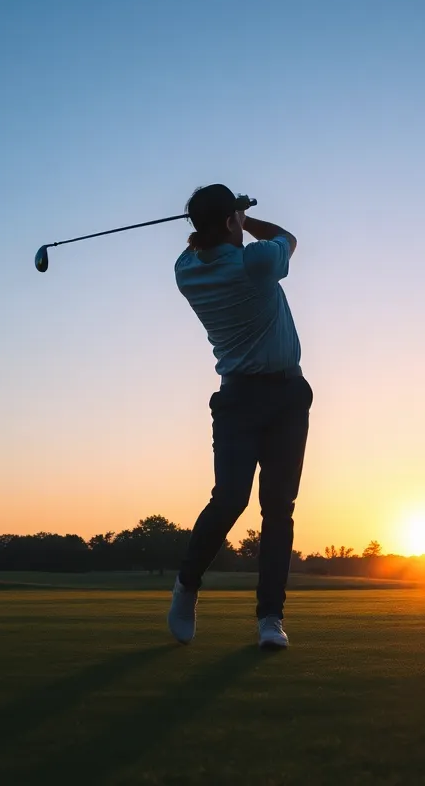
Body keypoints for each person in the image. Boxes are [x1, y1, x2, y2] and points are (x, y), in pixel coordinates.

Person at [167, 184, 314, 649]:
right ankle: (189, 585)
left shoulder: (185, 271)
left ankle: (270, 617)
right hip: (254, 398)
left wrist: (223, 220)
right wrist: (247, 218)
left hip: (275, 399)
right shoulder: (258, 262)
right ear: (230, 221)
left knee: (268, 507)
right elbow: (288, 236)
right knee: (238, 501)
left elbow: (199, 247)